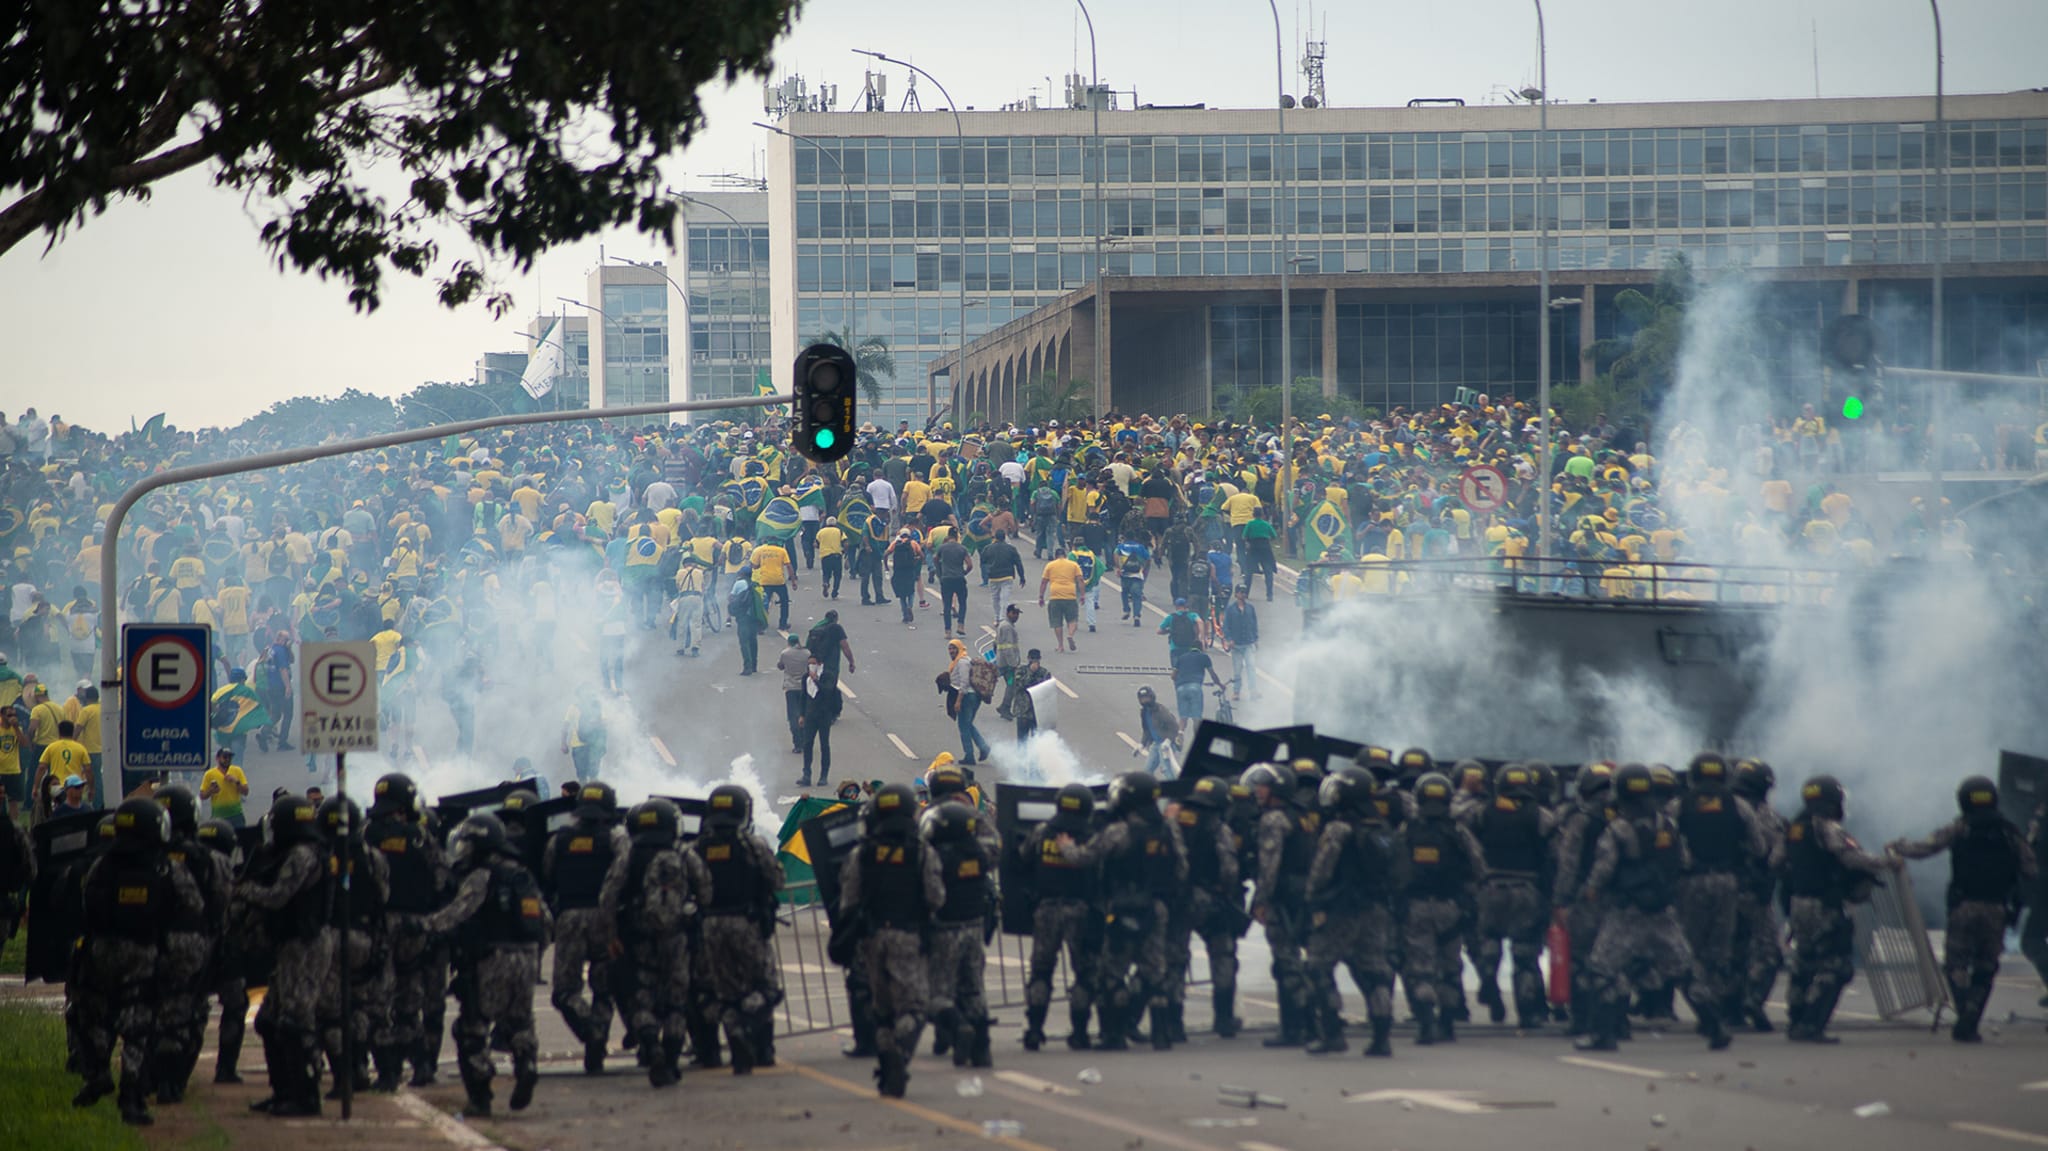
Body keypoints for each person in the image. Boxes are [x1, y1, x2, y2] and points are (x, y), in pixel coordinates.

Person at [1574, 763, 1731, 1052]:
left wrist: (1590, 892)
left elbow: (1603, 869)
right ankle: (1715, 1026)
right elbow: (1683, 860)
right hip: (1663, 911)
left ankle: (1602, 1034)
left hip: (1627, 913)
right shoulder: (1667, 824)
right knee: (1685, 970)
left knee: (1602, 969)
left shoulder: (1617, 829)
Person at [73, 798, 205, 1126]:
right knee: (138, 1026)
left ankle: (99, 1072)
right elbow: (193, 906)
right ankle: (131, 1095)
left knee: (95, 1016)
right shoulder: (167, 867)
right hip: (143, 954)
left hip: (101, 954)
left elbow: (84, 903)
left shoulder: (101, 865)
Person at [1888, 776, 2038, 1042]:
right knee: (1985, 965)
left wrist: (1897, 848)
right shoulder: (2010, 832)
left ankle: (1964, 1013)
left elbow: (1925, 848)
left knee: (1956, 964)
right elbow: (2030, 869)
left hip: (1964, 907)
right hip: (1997, 909)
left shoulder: (1959, 828)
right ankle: (1971, 1017)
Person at [418, 813, 548, 1118]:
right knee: (519, 1021)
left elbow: (458, 913)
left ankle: (481, 1096)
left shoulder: (482, 876)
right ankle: (527, 1063)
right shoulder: (522, 875)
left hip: (492, 957)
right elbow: (545, 920)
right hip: (527, 957)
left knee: (471, 1027)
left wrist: (423, 926)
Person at [1055, 772, 1187, 1051]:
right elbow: (1181, 868)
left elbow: (1084, 857)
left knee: (1112, 972)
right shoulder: (1167, 829)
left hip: (1122, 907)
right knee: (1154, 971)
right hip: (1156, 908)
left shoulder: (1119, 832)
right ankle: (1162, 1034)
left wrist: (1066, 847)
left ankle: (1113, 1036)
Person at [837, 782, 942, 1097]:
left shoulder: (862, 853)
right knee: (914, 1007)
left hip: (871, 939)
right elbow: (936, 897)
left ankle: (886, 1058)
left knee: (882, 1010)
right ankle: (898, 1052)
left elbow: (848, 899)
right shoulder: (922, 852)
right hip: (908, 936)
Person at [602, 798, 711, 1088]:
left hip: (638, 938)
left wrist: (612, 934)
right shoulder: (683, 853)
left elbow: (608, 896)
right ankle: (672, 1060)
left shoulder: (629, 855)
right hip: (677, 938)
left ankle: (651, 1046)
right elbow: (706, 890)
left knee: (641, 997)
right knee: (677, 1000)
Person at [237, 794, 334, 1118]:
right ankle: (283, 1092)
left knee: (295, 1021)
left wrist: (243, 890)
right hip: (291, 944)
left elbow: (279, 897)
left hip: (305, 945)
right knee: (268, 1020)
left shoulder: (303, 856)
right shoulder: (292, 853)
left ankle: (306, 1097)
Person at [1780, 775, 1895, 1043]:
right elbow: (1851, 856)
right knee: (1836, 965)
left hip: (1798, 903)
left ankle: (1795, 1019)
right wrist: (1886, 863)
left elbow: (1777, 860)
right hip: (1824, 904)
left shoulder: (1795, 828)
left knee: (1804, 962)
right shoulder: (1827, 827)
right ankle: (1811, 1025)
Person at [1303, 766, 1403, 1056]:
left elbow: (1321, 870)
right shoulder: (1383, 827)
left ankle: (1332, 1033)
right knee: (1374, 971)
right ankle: (1381, 1037)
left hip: (1341, 909)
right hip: (1376, 909)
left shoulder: (1339, 828)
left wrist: (1312, 900)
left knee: (1319, 967)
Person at [687, 785, 784, 1074]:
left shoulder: (695, 849)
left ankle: (715, 1047)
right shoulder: (752, 845)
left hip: (709, 927)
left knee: (716, 988)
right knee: (763, 986)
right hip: (747, 924)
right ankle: (761, 1047)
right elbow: (777, 879)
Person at [364, 773, 451, 1091]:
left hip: (379, 927)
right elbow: (443, 877)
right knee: (408, 1001)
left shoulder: (365, 834)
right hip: (415, 928)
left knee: (378, 1002)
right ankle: (422, 1065)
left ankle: (387, 1071)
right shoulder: (419, 836)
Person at [1672, 753, 1766, 1039]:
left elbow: (1666, 842)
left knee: (1689, 948)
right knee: (1719, 950)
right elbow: (1760, 847)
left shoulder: (1678, 806)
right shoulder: (1738, 806)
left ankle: (1703, 1007)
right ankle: (1715, 1006)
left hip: (1690, 883)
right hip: (1727, 882)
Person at [148, 785, 230, 1105]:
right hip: (194, 944)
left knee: (150, 1006)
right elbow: (222, 900)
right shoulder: (207, 858)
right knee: (190, 1008)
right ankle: (174, 1079)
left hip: (148, 943)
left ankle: (147, 1076)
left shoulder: (142, 854)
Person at [1399, 770, 1487, 1045]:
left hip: (1417, 908)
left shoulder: (1407, 830)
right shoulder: (1459, 832)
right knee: (1450, 966)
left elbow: (1395, 868)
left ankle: (1426, 1024)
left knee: (1420, 966)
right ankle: (1448, 1024)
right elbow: (1479, 868)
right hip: (1451, 907)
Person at [543, 782, 626, 1074]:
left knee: (565, 992)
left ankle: (590, 1033)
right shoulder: (616, 840)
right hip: (605, 920)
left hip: (569, 919)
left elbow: (548, 875)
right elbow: (624, 878)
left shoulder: (560, 840)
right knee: (605, 990)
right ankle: (597, 1035)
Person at [1469, 763, 1558, 1030]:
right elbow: (1555, 858)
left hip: (1491, 887)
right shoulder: (1542, 816)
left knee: (1489, 938)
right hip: (1527, 889)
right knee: (1525, 955)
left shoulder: (1481, 813)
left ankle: (1487, 975)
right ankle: (1529, 1013)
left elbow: (1470, 849)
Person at [1019, 783, 1100, 1051]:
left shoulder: (1043, 832)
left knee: (1041, 971)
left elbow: (1023, 857)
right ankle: (1079, 1033)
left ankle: (1033, 1030)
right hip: (1080, 911)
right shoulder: (1091, 836)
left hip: (1047, 909)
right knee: (1085, 973)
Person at [1244, 762, 1317, 1047]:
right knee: (1302, 963)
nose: (1257, 791)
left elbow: (1270, 865)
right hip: (1304, 896)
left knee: (1286, 963)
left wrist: (1260, 900)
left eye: (1262, 786)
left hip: (1284, 898)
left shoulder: (1273, 819)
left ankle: (1295, 1028)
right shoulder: (1303, 816)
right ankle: (1312, 1024)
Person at [921, 795, 996, 1069]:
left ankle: (958, 1025)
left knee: (936, 994)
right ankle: (982, 1049)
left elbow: (932, 895)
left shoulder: (934, 859)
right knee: (974, 990)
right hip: (974, 928)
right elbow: (995, 845)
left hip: (945, 930)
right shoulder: (980, 853)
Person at [1169, 776, 1244, 1038]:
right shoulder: (1217, 826)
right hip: (1211, 900)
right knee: (1223, 956)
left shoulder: (1175, 820)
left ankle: (1173, 1024)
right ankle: (1223, 1020)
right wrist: (1226, 890)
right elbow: (1230, 868)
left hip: (1178, 900)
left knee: (1175, 960)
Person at [1551, 761, 1616, 1036]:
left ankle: (1582, 1021)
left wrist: (1561, 901)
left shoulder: (1580, 819)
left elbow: (1568, 863)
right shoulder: (1626, 817)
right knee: (1612, 959)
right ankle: (1616, 1021)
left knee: (1581, 959)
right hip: (1619, 900)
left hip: (1586, 900)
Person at [1729, 758, 1788, 1032]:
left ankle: (1728, 1009)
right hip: (1754, 893)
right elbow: (1777, 856)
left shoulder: (1721, 808)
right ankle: (1751, 1001)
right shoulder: (1768, 817)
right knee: (1768, 954)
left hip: (1723, 892)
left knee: (1731, 952)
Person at [946, 639, 992, 766]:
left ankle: (970, 755)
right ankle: (983, 747)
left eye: (954, 648)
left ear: (960, 648)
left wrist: (958, 701)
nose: (951, 651)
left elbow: (964, 683)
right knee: (967, 724)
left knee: (963, 726)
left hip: (968, 697)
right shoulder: (959, 661)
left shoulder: (962, 662)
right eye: (950, 648)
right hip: (970, 696)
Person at [797, 654, 840, 788]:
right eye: (809, 664)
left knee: (824, 745)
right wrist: (802, 715)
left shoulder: (828, 675)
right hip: (810, 716)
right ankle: (806, 775)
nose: (811, 667)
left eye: (813, 664)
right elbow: (803, 696)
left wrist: (816, 680)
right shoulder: (806, 678)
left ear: (820, 664)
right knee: (807, 744)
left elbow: (827, 691)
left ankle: (823, 775)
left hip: (824, 715)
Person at [1167, 641, 1226, 728]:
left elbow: (1173, 676)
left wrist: (1181, 681)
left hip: (1181, 688)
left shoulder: (1182, 657)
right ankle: (1197, 739)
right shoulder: (1204, 657)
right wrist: (1220, 684)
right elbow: (1212, 674)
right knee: (1196, 718)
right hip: (1195, 687)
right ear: (1201, 648)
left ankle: (1180, 733)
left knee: (1183, 718)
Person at [1038, 547, 1082, 653]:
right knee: (1073, 619)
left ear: (1055, 556)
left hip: (1055, 596)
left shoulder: (1050, 565)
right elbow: (1080, 580)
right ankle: (1070, 635)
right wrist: (1083, 595)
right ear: (1065, 555)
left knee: (1057, 622)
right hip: (1070, 595)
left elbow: (1044, 582)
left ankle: (1060, 645)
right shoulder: (1073, 565)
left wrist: (1041, 596)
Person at [1220, 586, 1260, 702]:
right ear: (1236, 594)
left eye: (1244, 592)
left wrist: (1256, 639)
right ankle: (1236, 692)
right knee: (1237, 669)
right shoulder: (1231, 609)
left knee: (1251, 667)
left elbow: (1254, 624)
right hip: (1236, 645)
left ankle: (1253, 690)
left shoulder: (1250, 608)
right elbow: (1226, 626)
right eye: (1241, 592)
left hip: (1248, 643)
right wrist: (1229, 639)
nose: (1243, 595)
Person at [1133, 686, 1181, 778]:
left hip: (1167, 745)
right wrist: (1142, 744)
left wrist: (1168, 741)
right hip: (1156, 744)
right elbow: (1147, 730)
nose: (1145, 701)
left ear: (1152, 697)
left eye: (1147, 698)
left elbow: (1174, 727)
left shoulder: (1161, 710)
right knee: (1147, 771)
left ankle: (1173, 790)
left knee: (1166, 770)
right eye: (1142, 699)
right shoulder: (1144, 712)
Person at [561, 686, 608, 781]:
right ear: (579, 695)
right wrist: (563, 743)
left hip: (593, 745)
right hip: (578, 745)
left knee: (593, 772)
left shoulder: (597, 707)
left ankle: (594, 792)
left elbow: (605, 723)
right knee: (582, 774)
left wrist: (595, 723)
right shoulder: (573, 707)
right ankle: (585, 793)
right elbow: (566, 725)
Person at [931, 532, 972, 638]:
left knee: (947, 606)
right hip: (959, 578)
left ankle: (948, 631)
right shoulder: (962, 548)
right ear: (957, 537)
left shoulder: (942, 548)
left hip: (946, 579)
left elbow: (935, 558)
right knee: (962, 603)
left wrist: (939, 572)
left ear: (948, 537)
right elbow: (970, 565)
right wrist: (964, 572)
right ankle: (960, 626)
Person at [749, 539, 794, 631]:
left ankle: (761, 625)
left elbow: (754, 566)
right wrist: (793, 580)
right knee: (784, 602)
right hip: (779, 581)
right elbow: (788, 566)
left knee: (764, 604)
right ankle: (783, 624)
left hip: (765, 581)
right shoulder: (781, 550)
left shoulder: (761, 550)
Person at [201, 747, 250, 828]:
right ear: (217, 758)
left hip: (236, 815)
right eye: (224, 757)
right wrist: (210, 790)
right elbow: (202, 796)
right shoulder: (209, 774)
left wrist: (236, 781)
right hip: (218, 817)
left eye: (229, 757)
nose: (227, 759)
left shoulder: (237, 771)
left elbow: (246, 792)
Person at [730, 564, 765, 674]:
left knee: (744, 642)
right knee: (753, 640)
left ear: (741, 573)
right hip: (754, 616)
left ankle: (747, 666)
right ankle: (754, 665)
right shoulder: (755, 585)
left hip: (743, 616)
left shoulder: (739, 583)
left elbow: (731, 597)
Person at [778, 634, 810, 754]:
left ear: (789, 643)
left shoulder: (785, 653)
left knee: (793, 717)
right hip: (804, 688)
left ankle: (797, 744)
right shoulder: (807, 653)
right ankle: (805, 740)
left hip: (791, 688)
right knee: (804, 715)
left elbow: (780, 666)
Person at [1012, 650, 1052, 742]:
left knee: (1037, 741)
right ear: (1028, 658)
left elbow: (1047, 691)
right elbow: (1020, 685)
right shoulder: (1021, 670)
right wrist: (1031, 672)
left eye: (1036, 659)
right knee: (1022, 741)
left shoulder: (1044, 673)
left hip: (1037, 712)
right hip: (1023, 711)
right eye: (1032, 659)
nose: (1034, 661)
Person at [887, 530, 923, 627]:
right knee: (911, 591)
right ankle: (909, 606)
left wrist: (886, 566)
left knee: (902, 594)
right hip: (910, 570)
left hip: (898, 571)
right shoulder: (913, 543)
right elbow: (921, 555)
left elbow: (886, 553)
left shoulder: (895, 543)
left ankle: (905, 614)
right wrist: (916, 563)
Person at [993, 604, 1023, 719]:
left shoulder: (1006, 625)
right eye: (1014, 613)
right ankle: (1005, 707)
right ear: (1008, 613)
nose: (1016, 616)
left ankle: (1004, 707)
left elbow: (995, 643)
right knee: (1012, 685)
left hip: (1003, 661)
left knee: (1011, 685)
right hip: (1007, 664)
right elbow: (1008, 648)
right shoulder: (1007, 627)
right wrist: (1013, 664)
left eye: (1017, 614)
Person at [1114, 532, 1151, 625]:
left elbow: (1115, 554)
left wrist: (1118, 567)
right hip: (1137, 574)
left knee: (1124, 592)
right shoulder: (1140, 547)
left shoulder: (1121, 546)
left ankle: (1126, 610)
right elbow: (1148, 558)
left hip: (1125, 573)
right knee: (1137, 595)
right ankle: (1137, 615)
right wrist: (1143, 569)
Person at [816, 517, 846, 599]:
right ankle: (834, 592)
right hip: (836, 555)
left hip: (825, 556)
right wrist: (844, 552)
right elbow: (845, 543)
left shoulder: (821, 532)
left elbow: (816, 543)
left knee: (826, 573)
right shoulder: (839, 531)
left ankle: (826, 582)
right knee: (837, 575)